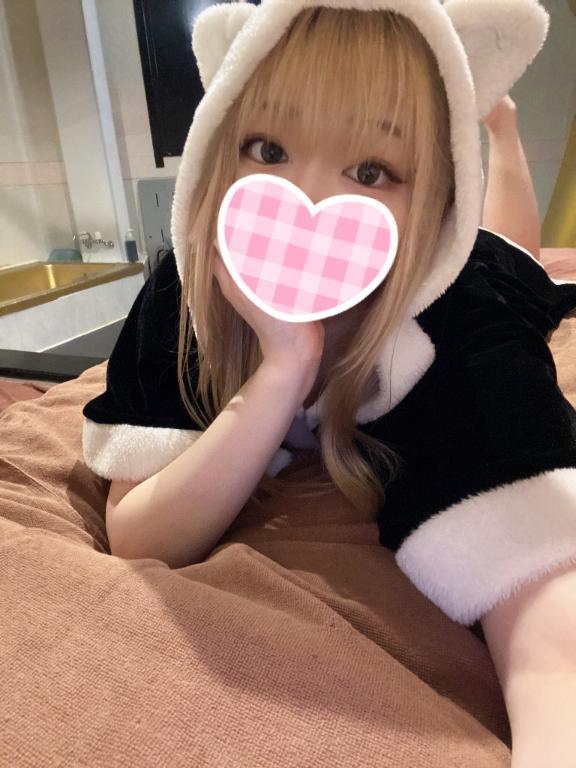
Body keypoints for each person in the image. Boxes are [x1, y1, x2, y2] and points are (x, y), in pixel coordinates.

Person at [82, 0, 576, 663]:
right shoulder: (189, 289)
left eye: (370, 172)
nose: (309, 199)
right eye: (269, 150)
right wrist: (284, 367)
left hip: (484, 271)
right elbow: (139, 536)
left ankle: (502, 129)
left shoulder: (464, 318)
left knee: (516, 259)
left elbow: (542, 571)